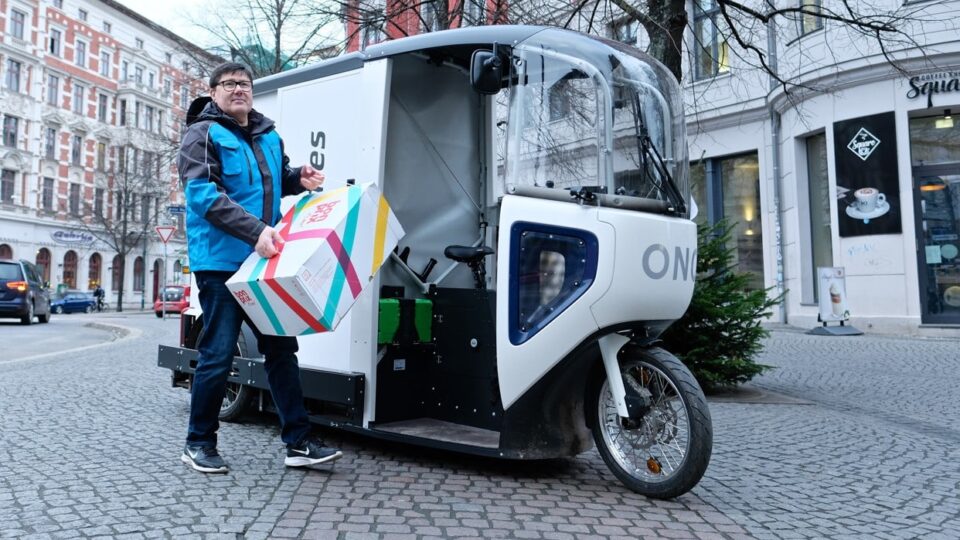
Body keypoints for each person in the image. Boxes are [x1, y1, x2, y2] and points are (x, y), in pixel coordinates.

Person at [178, 62, 342, 474]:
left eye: (245, 84)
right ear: (213, 92)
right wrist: (255, 232)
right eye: (230, 84)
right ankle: (199, 443)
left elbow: (272, 180)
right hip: (221, 263)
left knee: (282, 351)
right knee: (218, 353)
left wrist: (297, 177)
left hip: (265, 262)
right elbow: (203, 196)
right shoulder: (202, 134)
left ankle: (298, 443)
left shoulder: (269, 135)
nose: (239, 90)